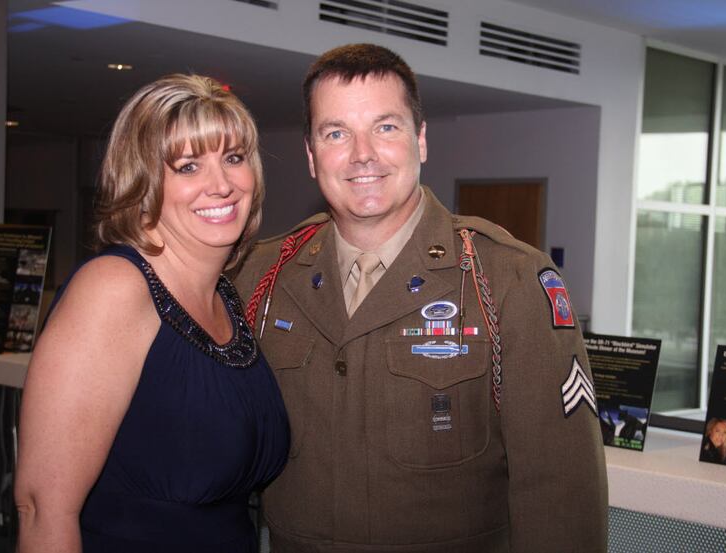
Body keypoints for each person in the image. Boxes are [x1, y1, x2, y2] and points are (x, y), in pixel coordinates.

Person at [234, 43, 607, 552]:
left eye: (385, 127)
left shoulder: (506, 280)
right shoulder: (261, 275)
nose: (362, 154)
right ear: (310, 154)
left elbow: (560, 492)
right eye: (336, 133)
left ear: (421, 140)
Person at [14, 74, 289, 553]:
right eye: (187, 166)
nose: (221, 184)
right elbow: (43, 508)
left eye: (233, 158)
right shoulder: (115, 289)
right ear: (142, 180)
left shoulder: (225, 296)